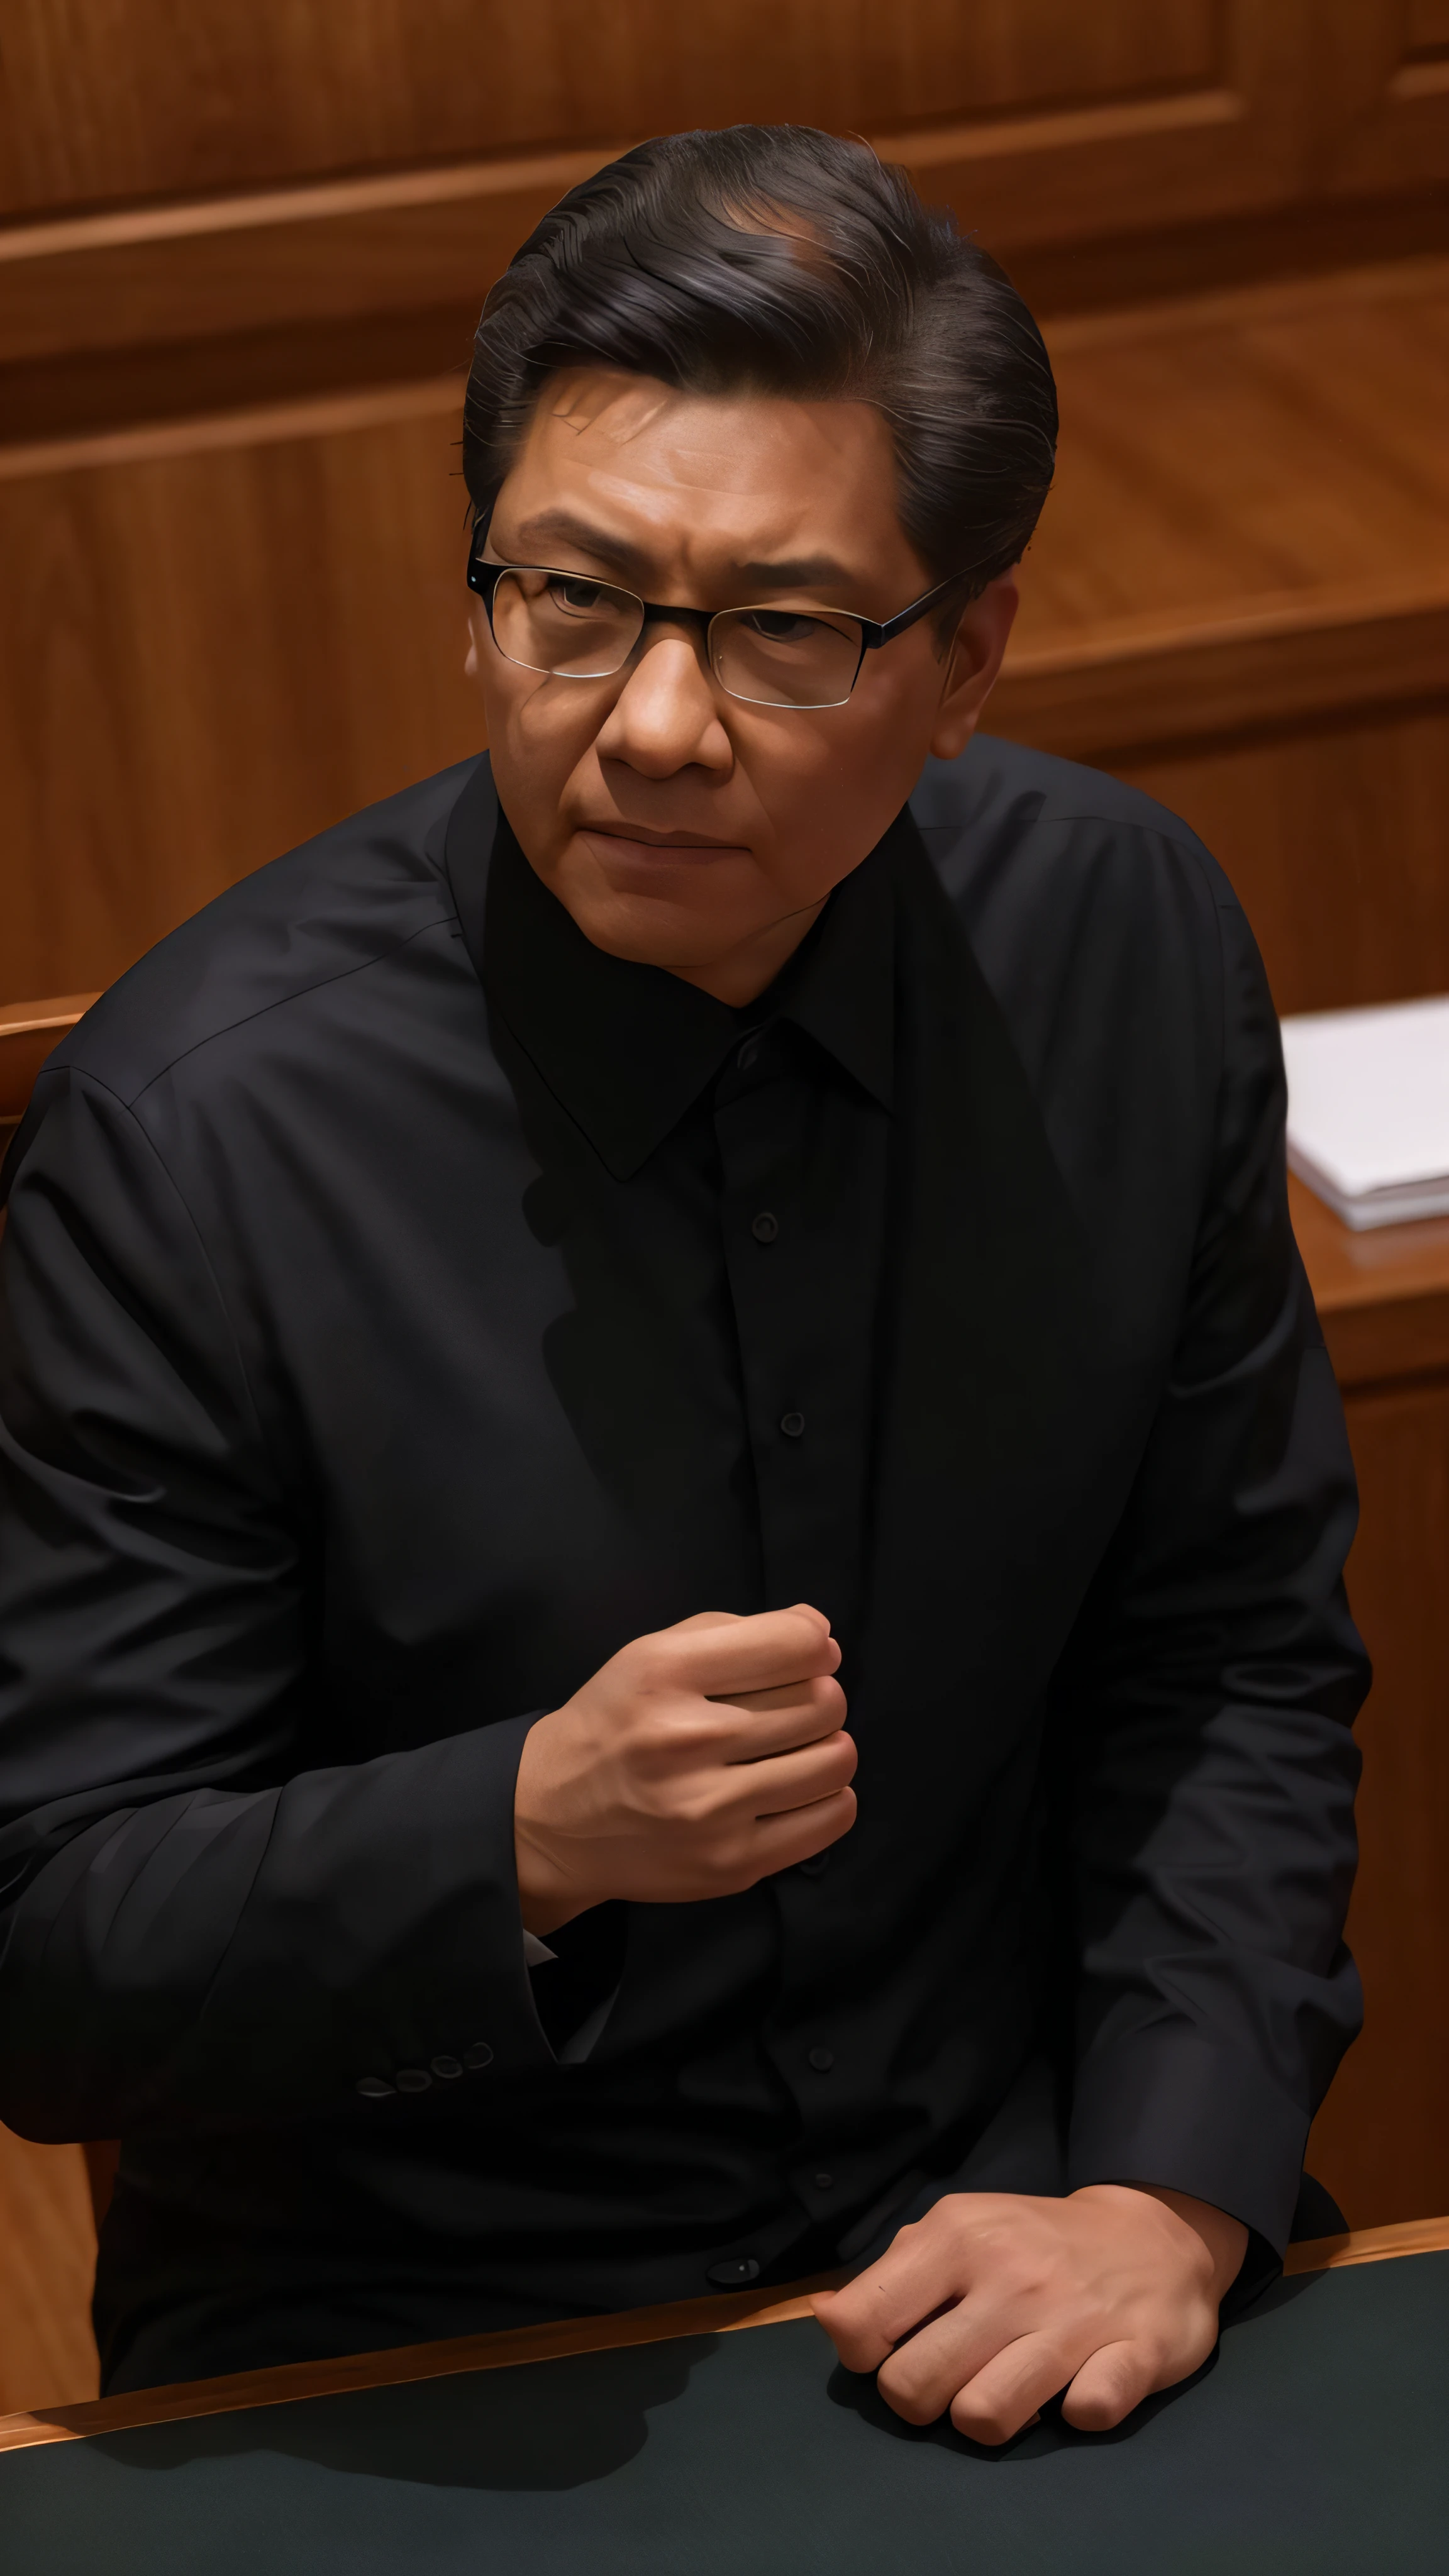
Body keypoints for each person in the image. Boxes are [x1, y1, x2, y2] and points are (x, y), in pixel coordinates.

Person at [0, 125, 1365, 2441]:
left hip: (1021, 2220)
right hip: (422, 2316)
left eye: (781, 629)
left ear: (964, 662)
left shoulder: (1123, 951)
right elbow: (47, 1952)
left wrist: (1168, 2188)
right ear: (476, 600)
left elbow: (1227, 1652)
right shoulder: (196, 1133)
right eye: (576, 597)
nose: (648, 721)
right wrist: (513, 1829)